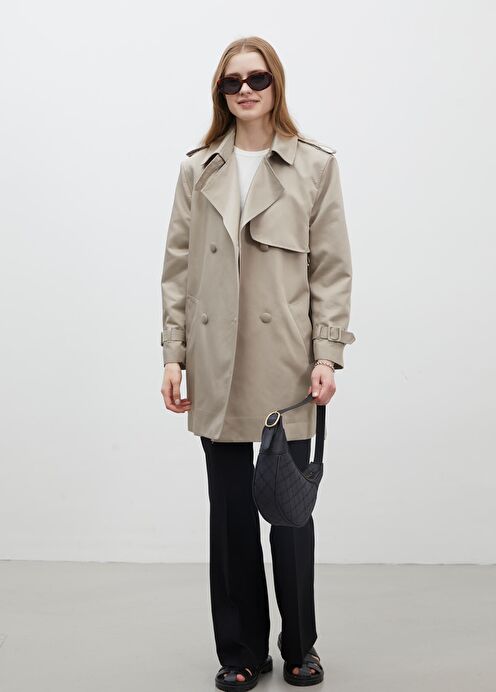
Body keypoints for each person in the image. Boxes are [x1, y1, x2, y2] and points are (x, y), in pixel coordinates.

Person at [160, 36, 356, 690]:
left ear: (276, 85)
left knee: (289, 513)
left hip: (286, 363)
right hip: (215, 360)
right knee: (230, 516)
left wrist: (326, 353)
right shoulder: (198, 169)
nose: (244, 90)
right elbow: (178, 270)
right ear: (220, 93)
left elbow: (331, 267)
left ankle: (300, 645)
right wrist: (173, 355)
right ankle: (241, 652)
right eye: (231, 82)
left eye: (257, 78)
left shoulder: (314, 165)